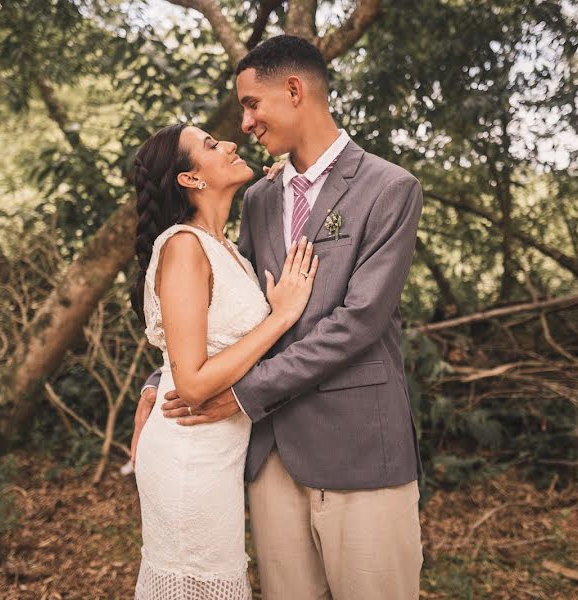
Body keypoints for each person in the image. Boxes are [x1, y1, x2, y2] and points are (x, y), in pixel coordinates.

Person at [136, 35, 426, 598]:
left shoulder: (389, 189)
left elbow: (359, 322)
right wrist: (166, 380)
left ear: (294, 90)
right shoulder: (260, 198)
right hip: (270, 458)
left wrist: (244, 394)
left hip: (359, 448)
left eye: (251, 104)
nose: (244, 123)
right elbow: (231, 307)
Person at [129, 122, 319, 599]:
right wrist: (282, 316)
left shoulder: (225, 249)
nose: (231, 142)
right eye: (211, 146)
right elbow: (191, 384)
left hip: (217, 455)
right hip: (189, 456)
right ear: (191, 180)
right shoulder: (183, 247)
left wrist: (285, 180)